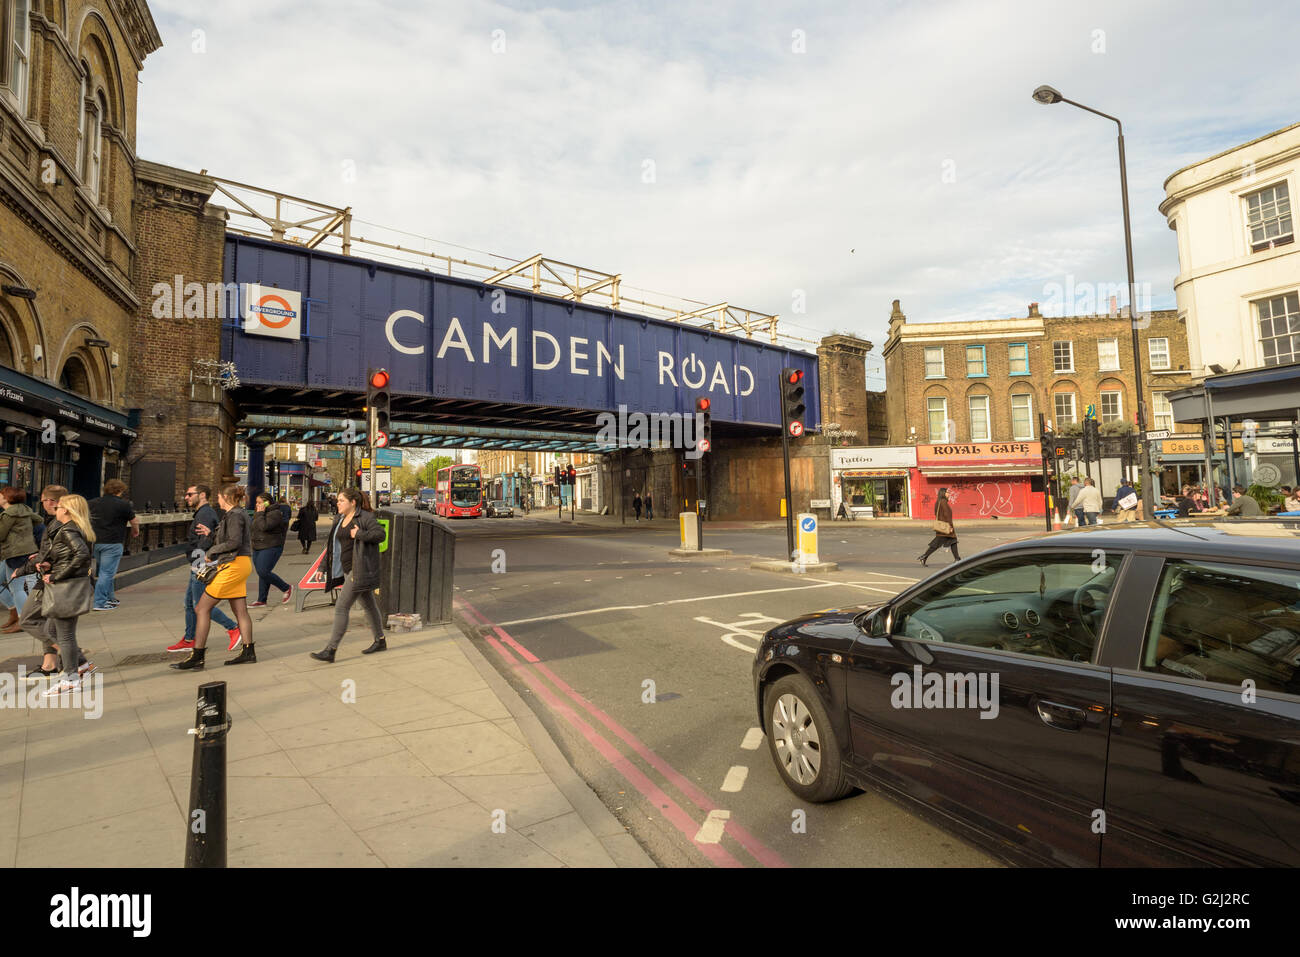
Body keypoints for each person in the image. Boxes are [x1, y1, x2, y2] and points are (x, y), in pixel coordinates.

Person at [20, 493, 97, 695]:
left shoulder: (68, 529)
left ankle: (70, 679)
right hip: (68, 585)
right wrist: (47, 563)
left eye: (59, 506)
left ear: (67, 510)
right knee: (53, 631)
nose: (56, 509)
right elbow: (70, 555)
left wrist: (56, 575)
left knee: (65, 635)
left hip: (65, 587)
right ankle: (79, 666)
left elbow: (82, 555)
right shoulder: (74, 528)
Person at [173, 484, 256, 670]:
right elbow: (230, 537)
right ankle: (248, 651)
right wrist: (212, 534)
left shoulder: (234, 515)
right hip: (239, 563)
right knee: (240, 610)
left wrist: (211, 551)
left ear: (226, 498)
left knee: (201, 608)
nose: (217, 500)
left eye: (219, 497)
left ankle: (198, 655)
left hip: (233, 564)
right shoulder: (236, 514)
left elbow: (234, 541)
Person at [310, 488, 387, 662]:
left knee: (341, 607)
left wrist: (359, 534)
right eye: (337, 500)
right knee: (368, 604)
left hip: (359, 570)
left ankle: (331, 650)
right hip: (345, 569)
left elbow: (380, 535)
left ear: (353, 503)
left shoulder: (365, 517)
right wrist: (322, 568)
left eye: (341, 500)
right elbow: (332, 547)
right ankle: (380, 640)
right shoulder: (339, 519)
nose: (338, 503)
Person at [168, 484, 240, 653]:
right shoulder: (202, 513)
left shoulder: (205, 514)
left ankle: (233, 628)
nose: (186, 497)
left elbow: (205, 541)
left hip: (201, 565)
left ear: (201, 495)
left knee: (201, 605)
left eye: (189, 494)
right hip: (198, 563)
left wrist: (199, 563)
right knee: (189, 604)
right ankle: (189, 639)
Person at [88, 478, 139, 611]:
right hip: (113, 543)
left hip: (97, 543)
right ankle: (99, 602)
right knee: (106, 573)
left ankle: (110, 598)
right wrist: (135, 531)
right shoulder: (123, 505)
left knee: (105, 571)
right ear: (120, 490)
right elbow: (134, 521)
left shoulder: (93, 503)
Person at [0, 487, 40, 633]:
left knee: (16, 588)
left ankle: (23, 620)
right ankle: (13, 612)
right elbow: (39, 520)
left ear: (7, 497)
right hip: (18, 552)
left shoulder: (9, 514)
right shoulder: (24, 509)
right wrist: (23, 533)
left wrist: (18, 536)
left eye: (1, 494)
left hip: (15, 553)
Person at [250, 493, 293, 607]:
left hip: (271, 546)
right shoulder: (259, 514)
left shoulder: (275, 513)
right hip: (257, 546)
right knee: (262, 573)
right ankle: (262, 599)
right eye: (256, 502)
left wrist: (260, 514)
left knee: (263, 571)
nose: (257, 505)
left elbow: (264, 526)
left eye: (259, 502)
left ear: (267, 502)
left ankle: (286, 587)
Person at [918, 488, 960, 566]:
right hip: (945, 527)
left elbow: (936, 513)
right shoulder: (943, 502)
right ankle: (924, 556)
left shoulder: (938, 502)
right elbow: (947, 515)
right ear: (943, 493)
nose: (949, 494)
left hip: (941, 526)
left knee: (953, 541)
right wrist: (950, 526)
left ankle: (957, 558)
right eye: (947, 492)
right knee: (938, 543)